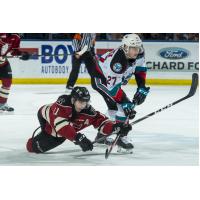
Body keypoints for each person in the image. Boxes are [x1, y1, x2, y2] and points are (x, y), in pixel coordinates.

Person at [26, 86, 132, 153]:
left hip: (61, 126)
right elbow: (61, 126)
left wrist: (115, 127)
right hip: (46, 115)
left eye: (85, 102)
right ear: (73, 100)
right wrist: (78, 138)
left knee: (60, 135)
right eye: (81, 102)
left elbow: (102, 122)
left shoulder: (88, 111)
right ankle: (44, 132)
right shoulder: (63, 103)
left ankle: (45, 133)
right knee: (32, 147)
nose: (83, 105)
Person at [91, 33, 150, 150]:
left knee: (115, 109)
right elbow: (112, 88)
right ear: (125, 47)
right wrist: (124, 102)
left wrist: (141, 87)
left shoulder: (140, 53)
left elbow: (140, 70)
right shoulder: (118, 61)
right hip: (101, 81)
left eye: (138, 48)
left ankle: (101, 137)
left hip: (112, 82)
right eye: (133, 48)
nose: (137, 51)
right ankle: (121, 137)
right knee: (123, 107)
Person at [0, 33, 30, 112]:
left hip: (3, 63)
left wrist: (22, 54)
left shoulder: (16, 37)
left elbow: (14, 51)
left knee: (7, 83)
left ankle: (2, 104)